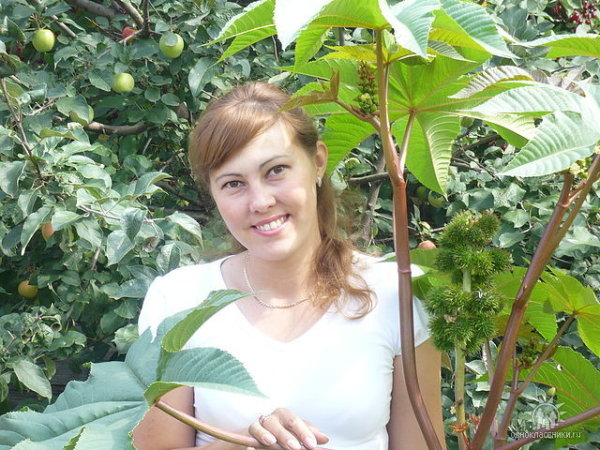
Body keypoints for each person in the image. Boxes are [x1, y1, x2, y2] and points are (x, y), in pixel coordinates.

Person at [133, 82, 444, 450]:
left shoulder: (398, 292)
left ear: (318, 162)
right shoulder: (178, 299)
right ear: (213, 194)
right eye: (233, 183)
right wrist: (244, 443)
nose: (260, 201)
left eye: (276, 170)